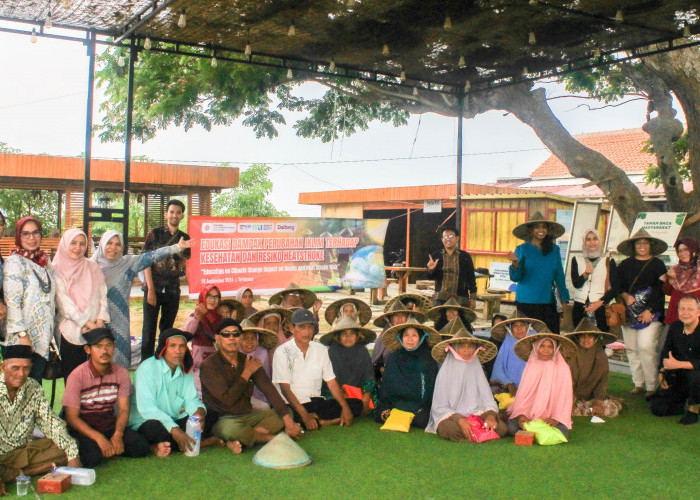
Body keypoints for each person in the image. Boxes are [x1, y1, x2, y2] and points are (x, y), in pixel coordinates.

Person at [91, 230, 191, 368]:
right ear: (101, 244)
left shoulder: (127, 264)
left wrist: (176, 248)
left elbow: (152, 257)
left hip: (119, 324)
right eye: (109, 243)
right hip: (93, 324)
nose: (113, 248)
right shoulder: (89, 267)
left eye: (118, 244)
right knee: (94, 366)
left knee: (119, 366)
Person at [201, 319, 301, 454]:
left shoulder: (248, 360)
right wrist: (247, 372)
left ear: (239, 337)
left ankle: (244, 437)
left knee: (286, 412)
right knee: (228, 429)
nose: (231, 338)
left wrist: (288, 422)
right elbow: (227, 401)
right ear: (217, 338)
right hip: (223, 418)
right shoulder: (209, 365)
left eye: (236, 334)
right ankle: (272, 438)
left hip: (248, 416)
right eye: (226, 334)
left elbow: (269, 390)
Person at [62, 328, 150, 467]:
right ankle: (103, 447)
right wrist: (98, 438)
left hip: (108, 423)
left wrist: (118, 434)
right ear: (88, 349)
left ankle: (111, 446)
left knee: (140, 447)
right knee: (92, 457)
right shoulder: (77, 375)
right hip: (85, 427)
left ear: (114, 347)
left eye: (108, 345)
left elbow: (123, 409)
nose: (104, 351)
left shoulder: (121, 373)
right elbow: (72, 418)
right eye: (98, 346)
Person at [0, 345, 80, 495]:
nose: (21, 374)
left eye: (26, 368)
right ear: (3, 367)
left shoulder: (33, 388)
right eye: (15, 368)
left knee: (68, 446)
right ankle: (29, 471)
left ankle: (16, 473)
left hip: (24, 452)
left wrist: (72, 454)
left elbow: (50, 423)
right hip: (2, 456)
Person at [129, 328, 218, 457]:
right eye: (172, 346)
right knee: (155, 429)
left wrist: (198, 413)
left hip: (174, 417)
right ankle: (201, 442)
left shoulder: (184, 367)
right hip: (148, 420)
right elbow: (147, 409)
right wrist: (175, 430)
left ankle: (176, 443)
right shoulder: (147, 369)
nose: (178, 351)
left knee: (211, 415)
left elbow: (191, 399)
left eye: (182, 346)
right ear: (163, 348)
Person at [272, 309, 363, 430]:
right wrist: (305, 416)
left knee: (356, 405)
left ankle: (317, 421)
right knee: (284, 418)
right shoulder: (282, 352)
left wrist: (345, 408)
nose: (307, 332)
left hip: (315, 402)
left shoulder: (320, 349)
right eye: (302, 327)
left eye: (310, 327)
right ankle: (323, 422)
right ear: (292, 328)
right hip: (291, 404)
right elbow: (285, 389)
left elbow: (331, 382)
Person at [426, 327, 505, 440]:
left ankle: (475, 432)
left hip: (476, 413)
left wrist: (491, 416)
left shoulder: (476, 367)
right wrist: (460, 420)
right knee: (449, 429)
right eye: (462, 346)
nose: (467, 350)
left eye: (470, 346)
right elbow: (439, 407)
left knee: (501, 428)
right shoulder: (445, 371)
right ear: (454, 348)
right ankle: (480, 432)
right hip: (453, 417)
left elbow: (487, 398)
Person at [616, 229, 668, 397]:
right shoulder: (624, 265)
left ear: (650, 245)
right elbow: (617, 286)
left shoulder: (658, 265)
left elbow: (660, 290)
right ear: (634, 246)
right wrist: (624, 295)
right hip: (629, 312)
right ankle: (638, 383)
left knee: (646, 347)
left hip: (651, 313)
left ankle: (652, 385)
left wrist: (650, 310)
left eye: (645, 243)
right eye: (639, 243)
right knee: (631, 348)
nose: (642, 246)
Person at [2, 217, 55, 382]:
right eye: (25, 233)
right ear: (19, 236)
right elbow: (12, 302)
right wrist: (22, 335)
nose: (31, 238)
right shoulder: (14, 262)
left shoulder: (44, 261)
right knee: (18, 390)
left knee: (34, 389)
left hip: (42, 337)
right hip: (22, 340)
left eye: (35, 232)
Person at [53, 228, 109, 380]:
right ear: (65, 244)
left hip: (96, 332)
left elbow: (102, 296)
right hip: (71, 332)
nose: (78, 248)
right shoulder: (56, 270)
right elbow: (66, 306)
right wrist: (90, 325)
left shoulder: (92, 267)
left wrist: (99, 322)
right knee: (74, 380)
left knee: (96, 379)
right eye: (73, 243)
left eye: (82, 244)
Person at [141, 199, 191, 362]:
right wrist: (150, 289)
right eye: (171, 212)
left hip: (172, 290)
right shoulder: (154, 234)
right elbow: (146, 261)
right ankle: (145, 365)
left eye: (178, 212)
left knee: (167, 330)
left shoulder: (184, 238)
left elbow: (184, 263)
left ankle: (162, 363)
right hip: (152, 289)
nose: (174, 215)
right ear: (166, 214)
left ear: (182, 216)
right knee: (148, 330)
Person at [507, 212, 569, 333]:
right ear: (531, 230)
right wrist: (515, 263)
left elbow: (559, 276)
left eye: (544, 227)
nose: (541, 230)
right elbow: (516, 277)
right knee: (527, 338)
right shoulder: (522, 249)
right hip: (526, 302)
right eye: (537, 227)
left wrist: (564, 300)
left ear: (548, 230)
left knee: (550, 337)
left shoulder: (554, 250)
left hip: (548, 302)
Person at [507, 333, 576, 437]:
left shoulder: (563, 369)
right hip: (529, 414)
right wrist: (522, 415)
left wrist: (556, 419)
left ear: (556, 349)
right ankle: (537, 432)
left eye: (550, 347)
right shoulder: (531, 366)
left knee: (563, 432)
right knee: (512, 428)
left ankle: (532, 432)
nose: (546, 350)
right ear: (536, 347)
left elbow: (564, 399)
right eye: (542, 346)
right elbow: (523, 396)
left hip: (552, 417)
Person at [375, 320, 441, 429]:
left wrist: (417, 407)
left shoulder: (428, 360)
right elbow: (386, 387)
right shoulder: (393, 358)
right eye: (406, 335)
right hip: (394, 404)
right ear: (401, 338)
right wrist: (390, 405)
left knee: (422, 420)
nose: (410, 339)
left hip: (418, 407)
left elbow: (430, 390)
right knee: (381, 414)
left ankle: (405, 416)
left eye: (414, 335)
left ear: (421, 338)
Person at [650, 295, 700, 424]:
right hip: (679, 375)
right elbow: (666, 351)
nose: (685, 313)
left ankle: (694, 409)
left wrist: (679, 364)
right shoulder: (675, 327)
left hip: (696, 376)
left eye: (690, 309)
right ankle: (682, 402)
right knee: (658, 409)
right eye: (682, 309)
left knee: (695, 376)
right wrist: (661, 371)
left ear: (698, 312)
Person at [565, 318, 623, 418]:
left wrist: (598, 402)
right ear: (577, 338)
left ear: (596, 338)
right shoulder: (570, 353)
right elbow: (565, 381)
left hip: (592, 396)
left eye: (590, 337)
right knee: (565, 410)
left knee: (611, 411)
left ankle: (593, 405)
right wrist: (571, 400)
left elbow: (603, 379)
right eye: (583, 336)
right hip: (569, 395)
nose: (586, 340)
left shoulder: (600, 354)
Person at [319, 316, 378, 416]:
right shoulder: (332, 352)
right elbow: (331, 382)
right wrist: (344, 399)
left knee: (376, 404)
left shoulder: (362, 351)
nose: (348, 337)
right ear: (338, 336)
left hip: (360, 392)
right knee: (331, 405)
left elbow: (369, 377)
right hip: (337, 394)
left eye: (352, 333)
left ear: (357, 335)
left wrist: (365, 399)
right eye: (344, 334)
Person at [489, 311, 547, 395]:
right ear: (510, 329)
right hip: (510, 387)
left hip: (535, 386)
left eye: (522, 325)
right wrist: (508, 384)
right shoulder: (507, 343)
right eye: (515, 326)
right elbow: (498, 370)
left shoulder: (537, 343)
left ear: (528, 327)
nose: (519, 329)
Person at [570, 229, 618, 330]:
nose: (592, 242)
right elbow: (576, 284)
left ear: (599, 241)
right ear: (584, 242)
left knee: (600, 341)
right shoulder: (577, 259)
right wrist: (585, 274)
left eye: (595, 239)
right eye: (588, 239)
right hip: (580, 306)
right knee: (580, 339)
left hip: (600, 307)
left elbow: (616, 288)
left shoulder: (608, 261)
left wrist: (600, 302)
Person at [182, 285, 222, 396]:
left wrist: (207, 315)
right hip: (198, 365)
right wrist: (198, 317)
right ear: (203, 297)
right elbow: (186, 335)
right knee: (199, 395)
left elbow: (219, 335)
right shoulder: (195, 315)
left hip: (217, 365)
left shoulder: (220, 318)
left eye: (216, 297)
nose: (212, 300)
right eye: (209, 296)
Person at [371, 299, 427, 380]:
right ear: (391, 318)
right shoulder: (383, 336)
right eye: (396, 315)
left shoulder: (415, 335)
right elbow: (376, 362)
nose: (399, 319)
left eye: (403, 315)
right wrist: (385, 371)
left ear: (407, 317)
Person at [426, 226, 477, 311]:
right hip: (440, 300)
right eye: (445, 236)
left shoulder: (465, 256)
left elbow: (471, 278)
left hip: (461, 299)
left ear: (457, 238)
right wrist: (430, 270)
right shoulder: (436, 256)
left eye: (451, 236)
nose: (447, 239)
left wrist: (472, 298)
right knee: (441, 323)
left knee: (460, 323)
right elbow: (429, 277)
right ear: (442, 239)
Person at [238, 318, 279, 410]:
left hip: (261, 397)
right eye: (245, 338)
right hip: (238, 398)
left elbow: (265, 381)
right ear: (239, 341)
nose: (250, 341)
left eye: (253, 338)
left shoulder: (262, 353)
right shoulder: (234, 355)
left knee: (265, 408)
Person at [661, 238, 700, 327]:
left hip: (695, 321)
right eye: (680, 251)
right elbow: (667, 291)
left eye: (686, 249)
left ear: (694, 249)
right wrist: (670, 279)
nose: (683, 254)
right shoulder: (676, 269)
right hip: (675, 318)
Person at [481, 314, 507, 380]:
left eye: (501, 326)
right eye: (496, 326)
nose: (498, 329)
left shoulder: (509, 343)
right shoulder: (489, 345)